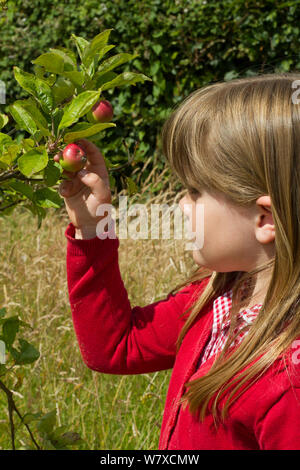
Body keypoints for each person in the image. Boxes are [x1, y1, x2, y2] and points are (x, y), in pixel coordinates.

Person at [55, 73, 300, 450]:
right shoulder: (217, 300)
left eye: (195, 191)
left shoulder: (287, 383)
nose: (181, 205)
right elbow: (117, 347)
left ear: (264, 219)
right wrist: (92, 226)